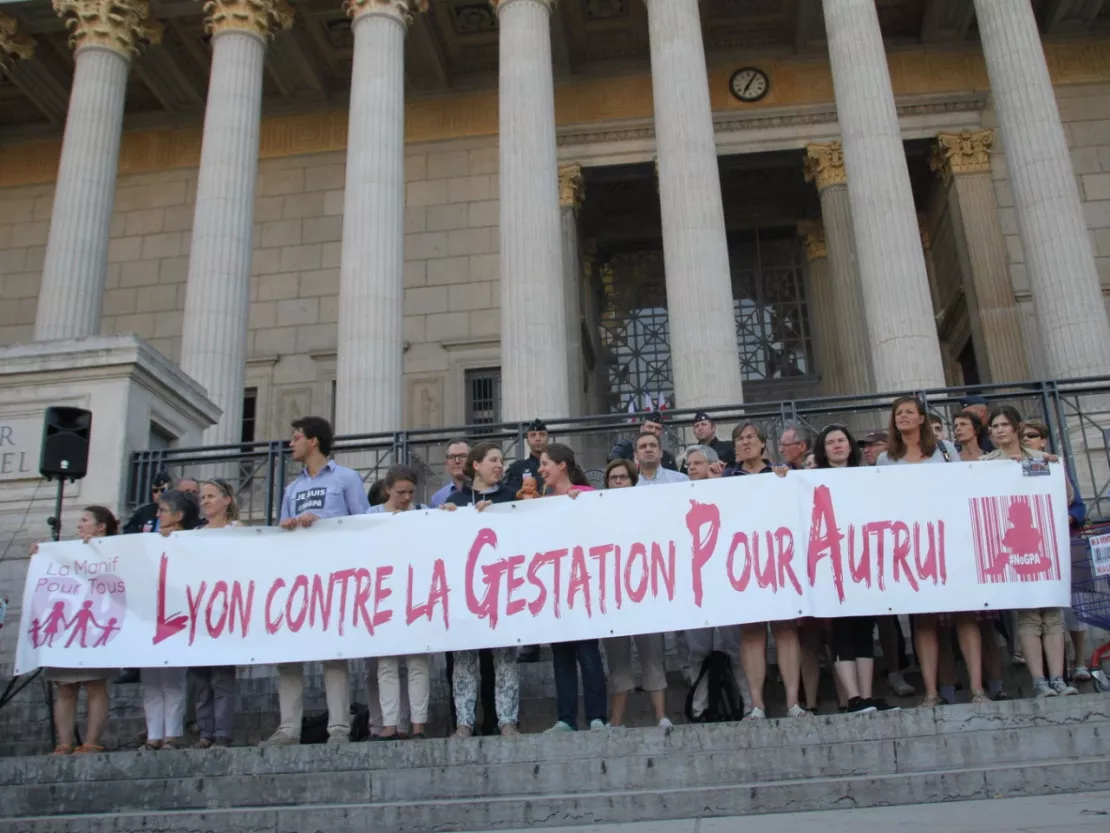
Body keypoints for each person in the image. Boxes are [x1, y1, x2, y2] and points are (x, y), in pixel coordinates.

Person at [261, 417, 370, 747]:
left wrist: (325, 521)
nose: (291, 444)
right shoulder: (291, 489)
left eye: (296, 437)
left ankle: (338, 727)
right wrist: (289, 525)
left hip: (334, 576)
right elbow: (281, 528)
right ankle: (288, 728)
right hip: (297, 578)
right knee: (289, 654)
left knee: (333, 653)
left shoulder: (347, 478)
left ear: (314, 441)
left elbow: (364, 524)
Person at [877, 396, 988, 707]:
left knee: (965, 615)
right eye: (898, 413)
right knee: (923, 620)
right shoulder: (886, 459)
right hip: (912, 546)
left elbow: (962, 486)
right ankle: (930, 692)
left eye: (909, 412)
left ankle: (977, 689)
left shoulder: (944, 450)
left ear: (922, 418)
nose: (903, 417)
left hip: (949, 539)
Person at [980, 406, 1077, 697]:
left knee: (1053, 615)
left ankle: (1058, 678)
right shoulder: (986, 464)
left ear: (1016, 427)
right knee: (1029, 615)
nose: (998, 431)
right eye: (993, 426)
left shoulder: (1040, 459)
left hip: (1044, 544)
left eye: (1003, 425)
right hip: (1012, 548)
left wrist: (1053, 468)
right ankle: (1039, 681)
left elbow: (1067, 497)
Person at [812, 426, 896, 713]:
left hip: (864, 562)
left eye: (841, 440)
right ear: (822, 450)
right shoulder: (811, 480)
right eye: (830, 442)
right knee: (842, 630)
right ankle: (852, 696)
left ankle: (866, 695)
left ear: (850, 446)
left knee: (864, 629)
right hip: (831, 565)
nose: (837, 446)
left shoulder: (868, 477)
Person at [443, 442, 521, 736]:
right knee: (464, 658)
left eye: (501, 461)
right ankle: (463, 722)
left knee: (505, 657)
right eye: (493, 460)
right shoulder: (455, 499)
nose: (499, 466)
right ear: (475, 465)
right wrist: (446, 519)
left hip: (503, 589)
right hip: (466, 591)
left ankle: (508, 720)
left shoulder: (511, 497)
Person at [534, 444, 609, 731]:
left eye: (545, 464)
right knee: (561, 655)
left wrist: (583, 506)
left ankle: (596, 716)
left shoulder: (586, 495)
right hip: (554, 588)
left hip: (584, 587)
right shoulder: (540, 501)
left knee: (588, 654)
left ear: (562, 465)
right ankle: (565, 718)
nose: (541, 470)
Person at [35, 506, 119, 754]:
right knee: (65, 687)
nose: (79, 525)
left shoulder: (118, 550)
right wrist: (41, 554)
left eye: (85, 520)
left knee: (95, 684)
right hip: (68, 630)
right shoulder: (69, 552)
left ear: (101, 525)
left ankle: (91, 740)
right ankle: (64, 742)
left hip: (96, 627)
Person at [680, 452, 753, 718]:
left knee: (734, 647)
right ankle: (699, 708)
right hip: (694, 584)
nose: (692, 468)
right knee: (698, 649)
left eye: (697, 463)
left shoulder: (726, 489)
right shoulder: (677, 497)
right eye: (689, 465)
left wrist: (717, 483)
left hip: (726, 582)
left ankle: (748, 703)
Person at [1023, 419, 1091, 681]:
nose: (1027, 439)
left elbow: (1079, 506)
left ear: (1043, 440)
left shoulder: (1052, 465)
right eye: (1024, 436)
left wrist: (1067, 518)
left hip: (1063, 541)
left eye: (1032, 435)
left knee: (1074, 606)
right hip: (1035, 546)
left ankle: (1080, 660)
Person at [365, 466, 430, 740]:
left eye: (410, 492)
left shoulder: (424, 513)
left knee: (418, 661)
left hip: (417, 591)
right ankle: (389, 725)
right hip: (384, 593)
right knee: (387, 661)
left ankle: (417, 725)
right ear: (387, 490)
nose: (406, 498)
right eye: (400, 492)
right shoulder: (370, 517)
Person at [142, 489, 201, 749]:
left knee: (173, 679)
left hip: (177, 614)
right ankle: (154, 734)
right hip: (149, 614)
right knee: (151, 680)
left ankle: (173, 734)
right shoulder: (147, 541)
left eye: (163, 510)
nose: (158, 514)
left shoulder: (192, 539)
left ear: (178, 515)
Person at [190, 480, 242, 748]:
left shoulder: (238, 530)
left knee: (221, 677)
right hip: (199, 611)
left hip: (227, 610)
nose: (205, 501)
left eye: (211, 496)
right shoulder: (194, 534)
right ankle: (205, 731)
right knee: (201, 679)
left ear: (226, 500)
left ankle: (221, 732)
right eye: (203, 497)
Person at [505, 419, 550, 495]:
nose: (537, 439)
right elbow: (510, 495)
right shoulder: (517, 468)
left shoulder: (558, 464)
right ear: (527, 440)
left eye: (542, 434)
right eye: (533, 435)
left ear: (548, 438)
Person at [430, 438, 470, 508]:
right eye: (451, 457)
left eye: (463, 456)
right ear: (446, 463)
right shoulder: (438, 498)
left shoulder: (484, 492)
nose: (457, 461)